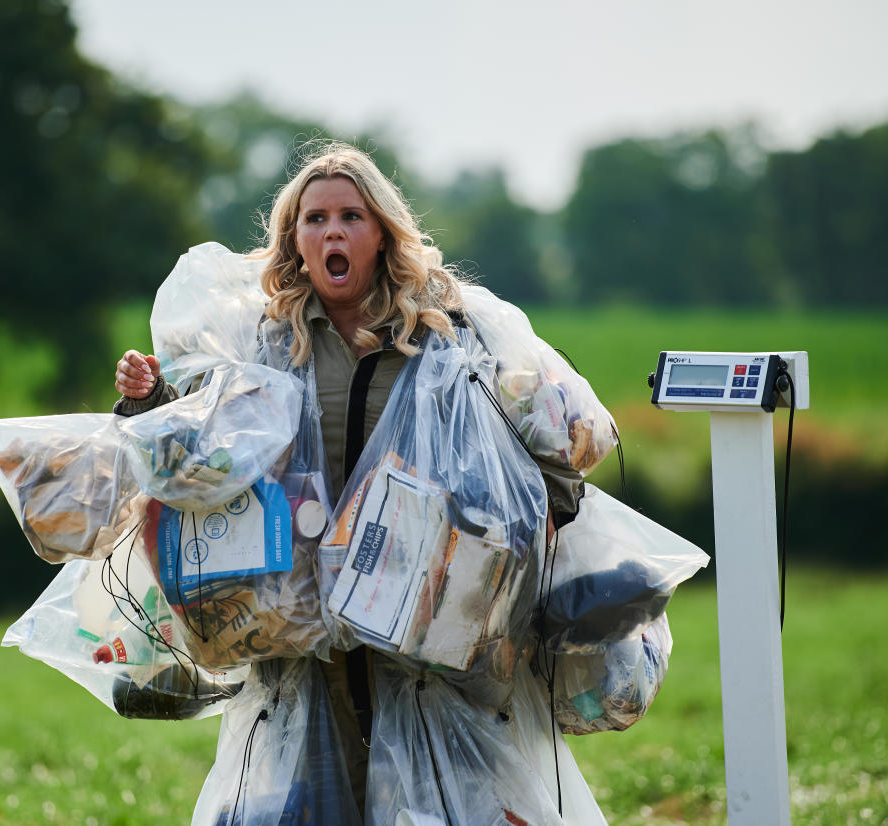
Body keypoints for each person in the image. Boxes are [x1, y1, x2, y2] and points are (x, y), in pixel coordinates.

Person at [112, 142, 586, 818]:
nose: (331, 232)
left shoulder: (449, 338)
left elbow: (545, 455)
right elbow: (194, 457)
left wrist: (520, 547)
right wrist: (146, 403)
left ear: (382, 234)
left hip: (426, 647)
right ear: (293, 239)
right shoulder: (260, 343)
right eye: (315, 219)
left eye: (351, 217)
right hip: (302, 646)